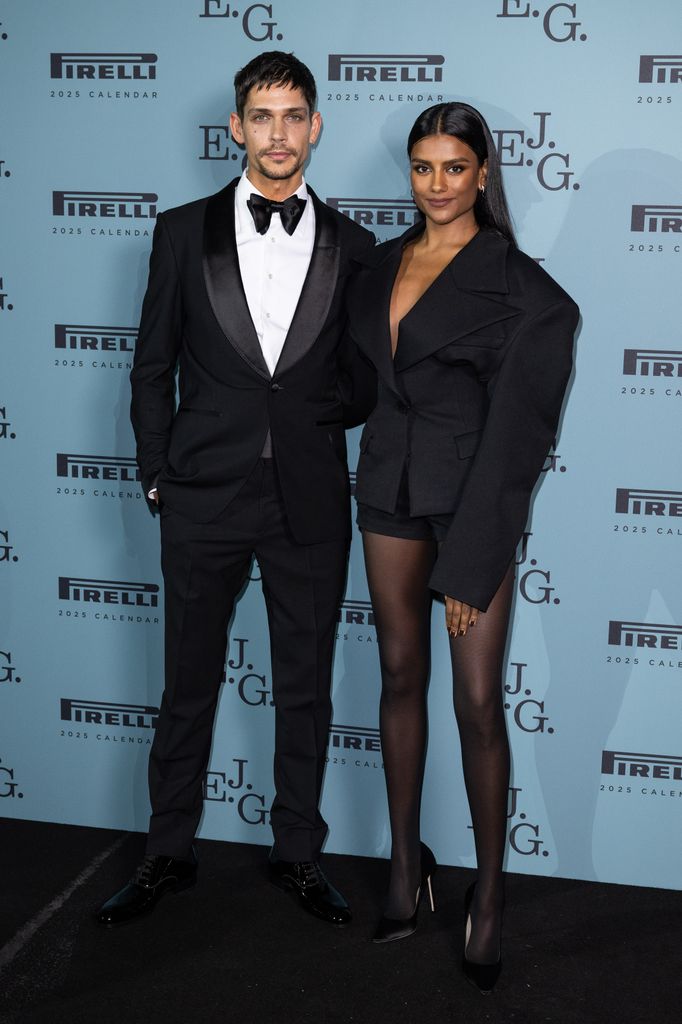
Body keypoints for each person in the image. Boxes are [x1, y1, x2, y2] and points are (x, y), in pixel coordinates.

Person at [96, 51, 375, 928]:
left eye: (295, 116)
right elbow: (150, 367)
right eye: (263, 115)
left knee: (305, 687)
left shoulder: (356, 246)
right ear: (237, 127)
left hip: (309, 500)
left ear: (316, 126)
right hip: (201, 496)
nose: (280, 133)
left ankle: (298, 853)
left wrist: (305, 417)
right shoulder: (181, 232)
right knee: (187, 683)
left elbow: (363, 382)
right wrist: (154, 473)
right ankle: (166, 852)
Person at [346, 102, 579, 991]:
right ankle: (407, 868)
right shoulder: (377, 266)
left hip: (468, 513)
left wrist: (473, 563)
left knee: (479, 703)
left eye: (453, 168)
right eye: (421, 168)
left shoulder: (529, 295)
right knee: (399, 677)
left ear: (485, 173)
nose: (435, 186)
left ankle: (490, 893)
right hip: (387, 498)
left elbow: (517, 446)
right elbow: (349, 388)